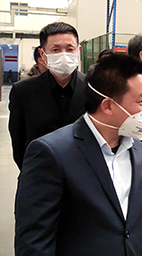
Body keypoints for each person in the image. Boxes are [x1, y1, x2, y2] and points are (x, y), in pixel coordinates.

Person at [14, 53, 142, 256]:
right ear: (108, 106)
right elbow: (34, 245)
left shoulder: (141, 152)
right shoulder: (52, 153)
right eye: (141, 101)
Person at [9, 22, 86, 169]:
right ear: (43, 54)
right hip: (39, 172)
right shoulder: (23, 91)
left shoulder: (93, 88)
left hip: (83, 173)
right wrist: (30, 172)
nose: (64, 55)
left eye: (70, 49)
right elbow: (18, 139)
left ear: (78, 50)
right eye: (55, 50)